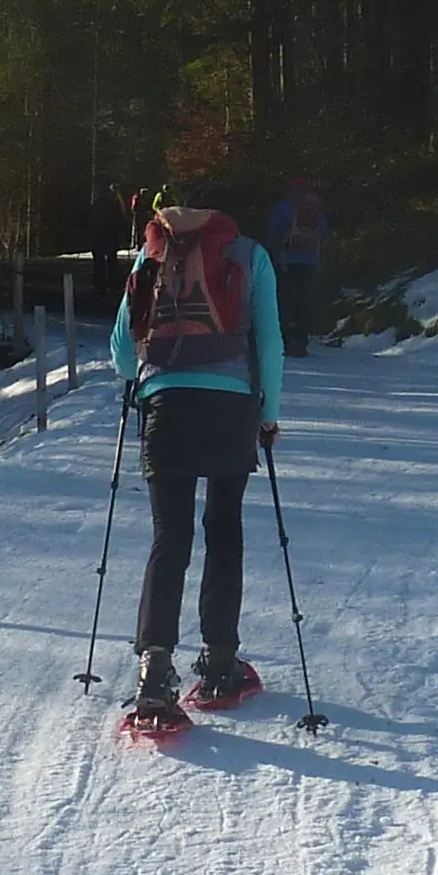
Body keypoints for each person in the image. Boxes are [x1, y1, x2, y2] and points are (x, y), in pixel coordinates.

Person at [110, 183, 284, 719]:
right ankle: (219, 663)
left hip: (165, 404)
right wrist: (268, 414)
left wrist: (154, 376)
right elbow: (270, 341)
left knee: (171, 536)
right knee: (223, 529)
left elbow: (122, 350)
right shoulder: (250, 255)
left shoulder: (153, 251)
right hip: (231, 406)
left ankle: (155, 673)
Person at [264, 177, 330, 357]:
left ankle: (285, 340)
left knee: (285, 299)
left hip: (286, 260)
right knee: (304, 300)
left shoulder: (283, 208)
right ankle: (301, 343)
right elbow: (324, 234)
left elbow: (273, 231)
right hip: (309, 262)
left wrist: (272, 250)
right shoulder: (315, 209)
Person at [87, 183, 130, 299]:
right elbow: (121, 219)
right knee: (112, 260)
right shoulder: (114, 203)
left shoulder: (96, 204)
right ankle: (114, 285)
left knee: (99, 262)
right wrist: (124, 234)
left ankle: (99, 286)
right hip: (110, 236)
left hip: (98, 237)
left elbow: (89, 221)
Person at [128, 186, 154, 250]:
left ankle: (141, 243)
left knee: (142, 230)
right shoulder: (137, 198)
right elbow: (134, 207)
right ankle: (136, 244)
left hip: (142, 215)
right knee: (137, 230)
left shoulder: (144, 199)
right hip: (138, 215)